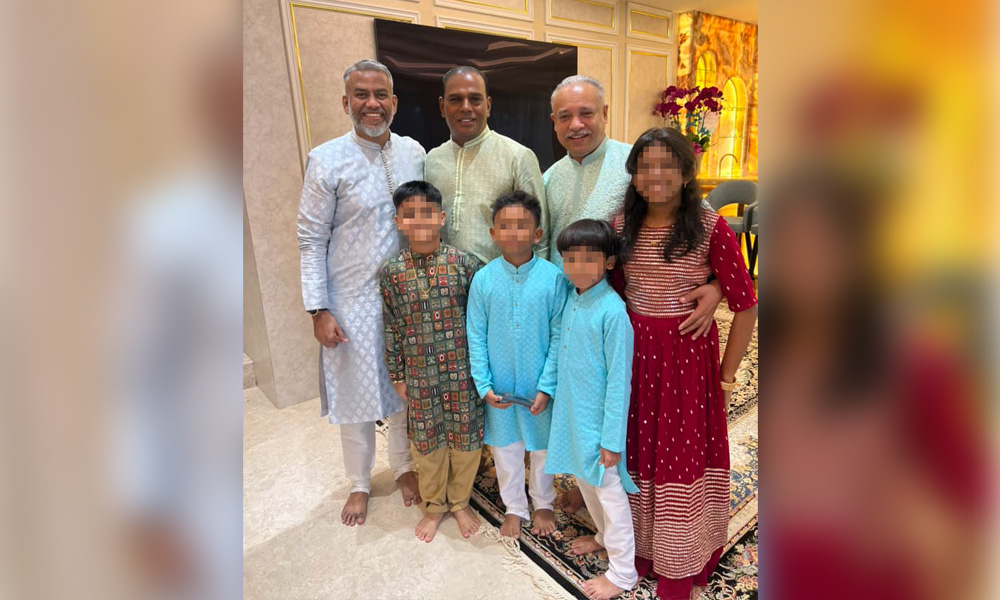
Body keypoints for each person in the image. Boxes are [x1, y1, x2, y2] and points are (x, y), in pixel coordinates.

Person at [547, 76, 724, 516]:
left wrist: (717, 286)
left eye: (587, 112)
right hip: (577, 317)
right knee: (586, 406)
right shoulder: (548, 176)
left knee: (623, 415)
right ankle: (591, 489)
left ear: (605, 114)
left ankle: (624, 509)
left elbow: (697, 224)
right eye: (566, 115)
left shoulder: (639, 164)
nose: (577, 124)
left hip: (628, 322)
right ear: (553, 123)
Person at [611, 128, 758, 600]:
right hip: (634, 358)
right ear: (633, 176)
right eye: (645, 166)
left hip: (686, 361)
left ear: (686, 172)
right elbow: (606, 299)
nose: (656, 176)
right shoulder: (619, 226)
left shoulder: (709, 225)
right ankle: (639, 549)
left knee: (679, 457)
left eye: (667, 165)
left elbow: (747, 304)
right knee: (635, 450)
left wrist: (727, 377)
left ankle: (679, 560)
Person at [297, 59, 424, 527]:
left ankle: (406, 466)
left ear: (394, 101)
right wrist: (318, 307)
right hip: (349, 299)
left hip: (405, 297)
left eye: (381, 95)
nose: (372, 104)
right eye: (362, 95)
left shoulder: (413, 151)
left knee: (404, 389)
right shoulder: (326, 158)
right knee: (355, 396)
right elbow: (311, 238)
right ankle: (359, 481)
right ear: (346, 101)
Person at [379, 180, 484, 543]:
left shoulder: (465, 264)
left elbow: (482, 322)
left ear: (441, 218)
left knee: (466, 439)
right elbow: (390, 326)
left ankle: (460, 501)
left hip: (462, 371)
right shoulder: (391, 272)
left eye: (427, 214)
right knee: (426, 441)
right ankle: (435, 505)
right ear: (398, 222)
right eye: (410, 216)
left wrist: (482, 371)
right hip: (419, 373)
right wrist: (397, 374)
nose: (420, 222)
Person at [545, 219, 638, 600]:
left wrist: (612, 440)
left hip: (600, 426)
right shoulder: (572, 297)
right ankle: (601, 537)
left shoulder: (613, 313)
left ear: (610, 263)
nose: (577, 266)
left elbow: (619, 383)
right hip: (572, 415)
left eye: (588, 258)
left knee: (610, 494)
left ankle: (623, 571)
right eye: (569, 258)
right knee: (587, 484)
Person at [466, 191, 567, 540]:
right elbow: (475, 335)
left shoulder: (554, 278)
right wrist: (483, 384)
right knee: (505, 448)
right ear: (492, 233)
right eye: (504, 226)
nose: (512, 233)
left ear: (538, 234)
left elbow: (558, 336)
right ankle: (514, 506)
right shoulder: (483, 279)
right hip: (500, 387)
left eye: (522, 226)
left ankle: (543, 501)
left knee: (541, 449)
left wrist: (547, 386)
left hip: (539, 385)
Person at [425, 65, 549, 264]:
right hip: (445, 287)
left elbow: (540, 238)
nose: (465, 107)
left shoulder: (517, 156)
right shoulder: (432, 160)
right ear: (442, 107)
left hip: (502, 286)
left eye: (475, 99)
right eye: (455, 99)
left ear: (488, 105)